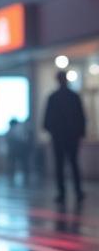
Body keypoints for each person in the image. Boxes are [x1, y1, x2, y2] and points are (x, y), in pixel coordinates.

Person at [43, 71, 87, 205]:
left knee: (60, 165)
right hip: (72, 137)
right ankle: (77, 191)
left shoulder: (53, 97)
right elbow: (81, 117)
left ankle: (62, 193)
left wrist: (53, 132)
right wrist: (79, 133)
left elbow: (47, 120)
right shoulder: (74, 97)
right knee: (73, 164)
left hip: (58, 137)